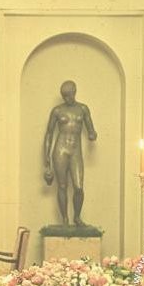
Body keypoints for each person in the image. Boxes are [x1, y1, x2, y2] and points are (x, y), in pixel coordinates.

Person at [43, 80, 97, 226]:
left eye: (69, 95)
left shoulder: (83, 109)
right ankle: (65, 219)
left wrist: (92, 134)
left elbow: (91, 129)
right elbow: (49, 134)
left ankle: (77, 217)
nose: (67, 98)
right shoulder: (57, 111)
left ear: (74, 92)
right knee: (62, 186)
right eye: (64, 96)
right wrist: (47, 158)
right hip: (60, 150)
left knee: (78, 187)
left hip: (75, 151)